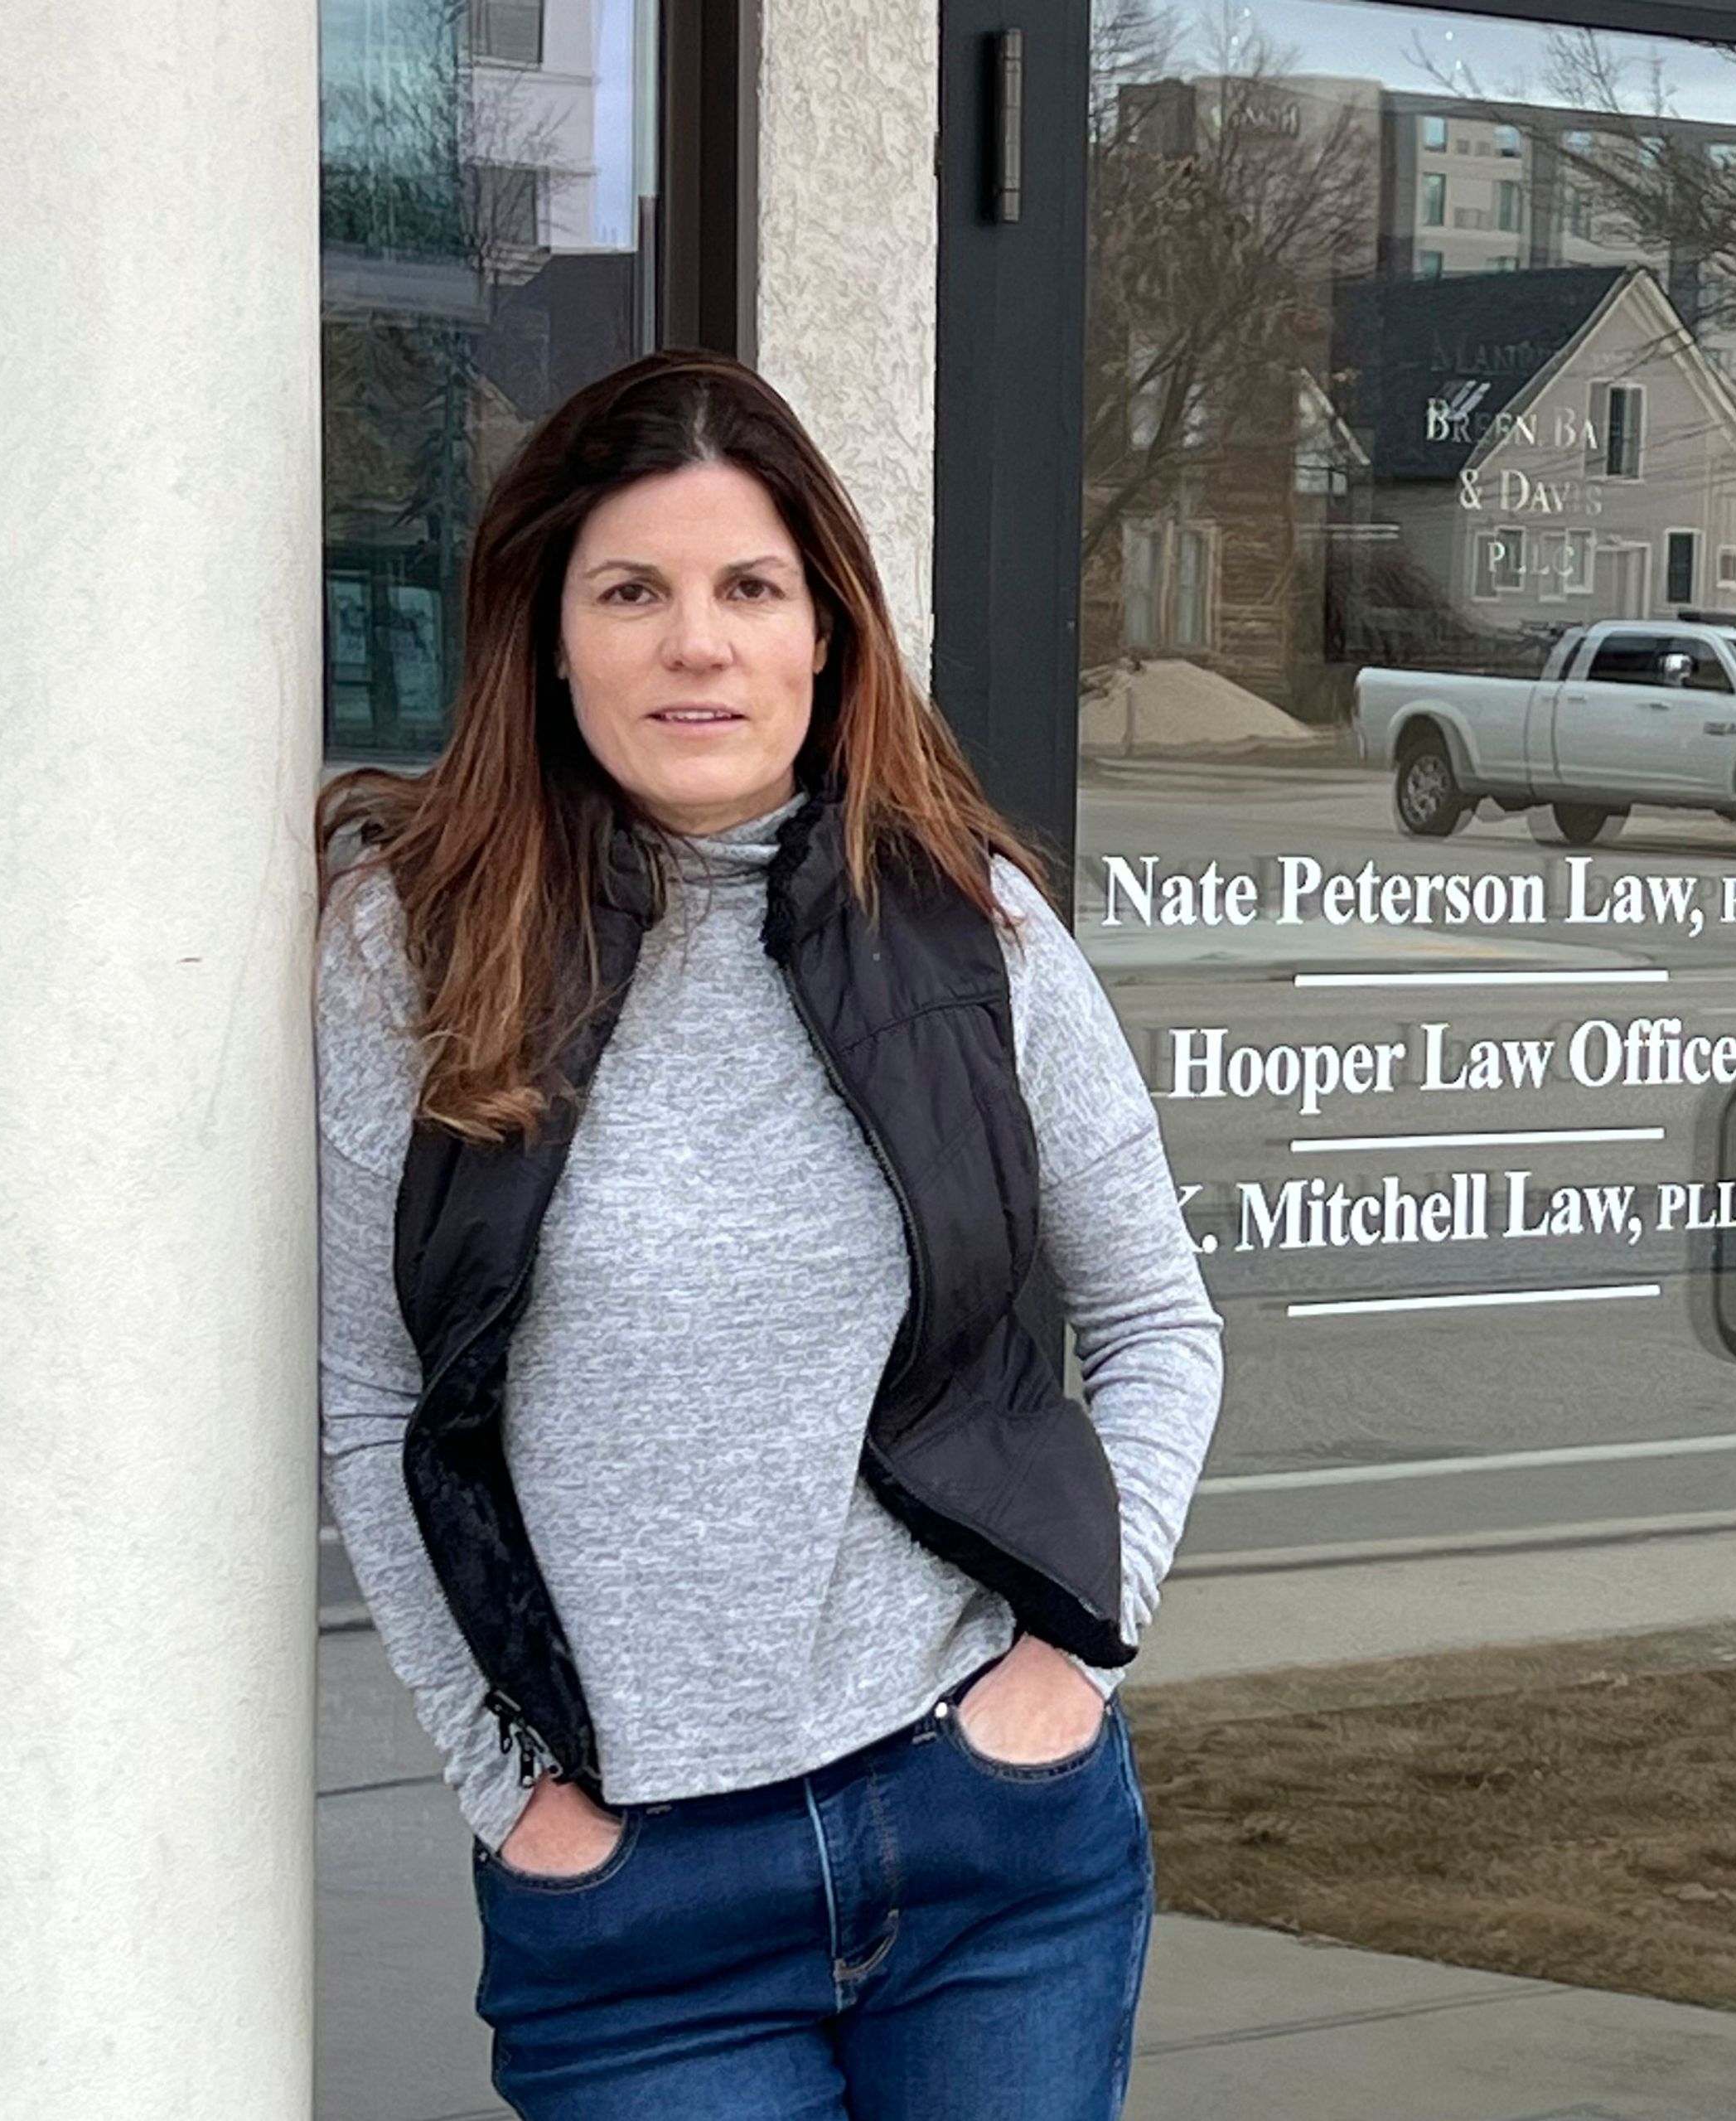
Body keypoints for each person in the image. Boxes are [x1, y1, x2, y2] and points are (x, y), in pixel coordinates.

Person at [314, 349, 1223, 2120]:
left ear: (829, 634)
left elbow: (1158, 1323)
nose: (696, 645)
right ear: (549, 634)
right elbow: (370, 1402)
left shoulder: (973, 926)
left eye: (749, 588)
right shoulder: (413, 950)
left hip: (986, 1847)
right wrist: (512, 1791)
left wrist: (1071, 1666)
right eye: (632, 591)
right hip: (637, 1897)